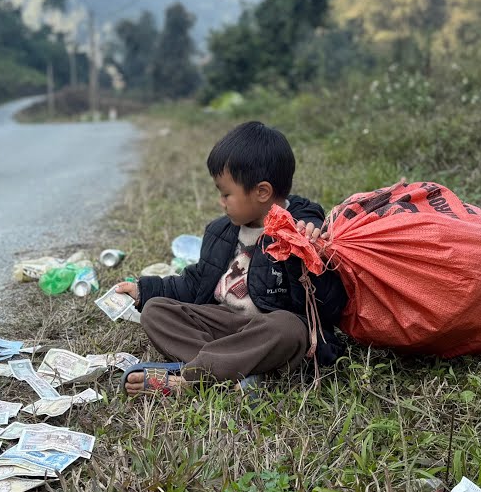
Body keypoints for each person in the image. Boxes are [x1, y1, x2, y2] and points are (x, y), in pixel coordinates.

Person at [115, 121, 347, 395]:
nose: (221, 202)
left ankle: (192, 378)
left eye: (226, 194)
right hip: (224, 323)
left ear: (262, 192)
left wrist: (306, 252)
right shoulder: (220, 231)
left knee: (289, 328)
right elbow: (195, 283)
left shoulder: (301, 229)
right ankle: (245, 371)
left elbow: (328, 306)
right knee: (155, 311)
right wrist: (144, 290)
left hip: (268, 329)